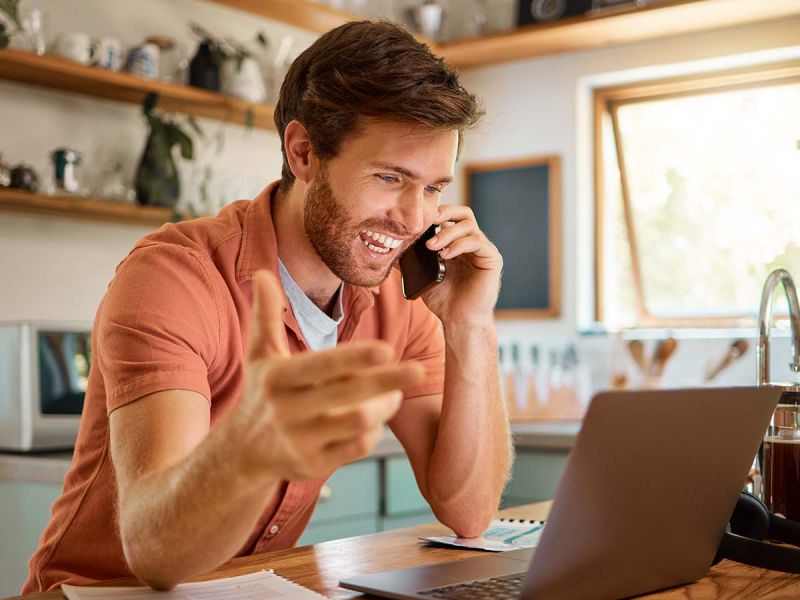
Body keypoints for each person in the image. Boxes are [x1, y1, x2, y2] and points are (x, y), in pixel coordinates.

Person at [24, 20, 510, 593]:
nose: (413, 220)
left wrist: (471, 325)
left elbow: (469, 511)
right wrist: (248, 453)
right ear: (303, 152)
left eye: (431, 188)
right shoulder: (173, 277)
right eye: (388, 177)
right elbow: (153, 553)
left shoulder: (398, 294)